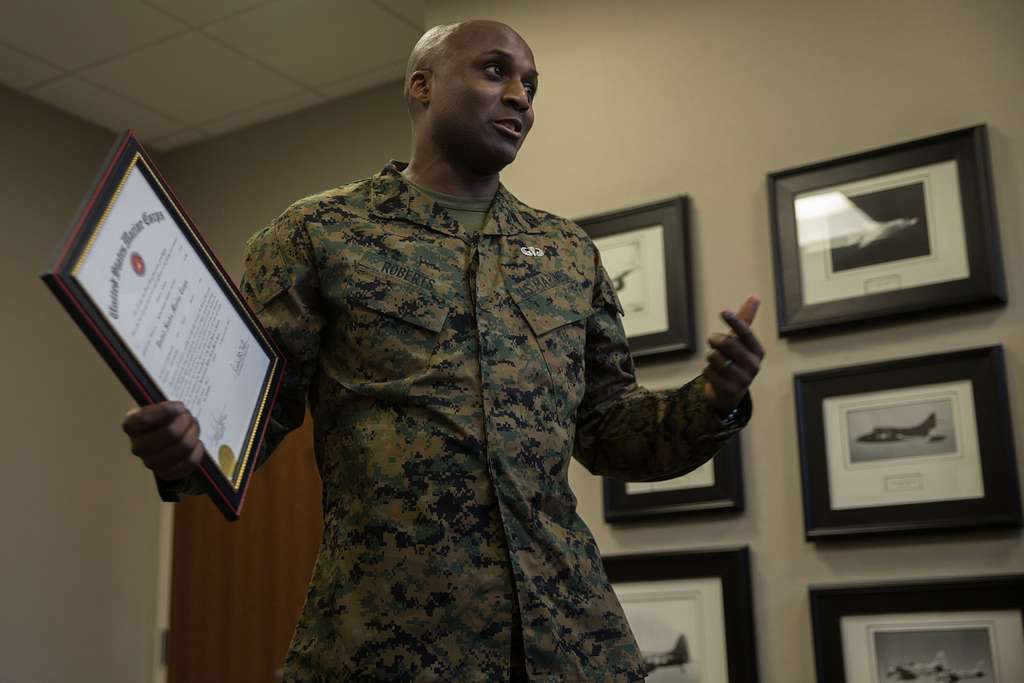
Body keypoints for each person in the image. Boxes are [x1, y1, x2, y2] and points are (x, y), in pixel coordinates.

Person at [122, 19, 764, 682]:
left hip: (571, 640)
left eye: (531, 84)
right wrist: (186, 452)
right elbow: (252, 410)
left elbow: (607, 431)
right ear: (421, 86)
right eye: (495, 71)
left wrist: (713, 399)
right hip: (392, 641)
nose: (521, 96)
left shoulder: (568, 252)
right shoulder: (321, 232)